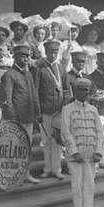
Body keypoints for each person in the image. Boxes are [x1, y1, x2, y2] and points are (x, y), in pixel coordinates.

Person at [60, 78, 103, 207]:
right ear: (75, 91)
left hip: (90, 153)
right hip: (76, 155)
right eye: (81, 90)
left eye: (86, 90)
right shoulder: (67, 109)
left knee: (90, 185)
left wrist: (98, 151)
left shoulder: (93, 110)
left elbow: (99, 132)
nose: (84, 93)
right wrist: (73, 152)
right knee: (77, 185)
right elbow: (65, 132)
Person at [2, 45, 41, 184]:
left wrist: (37, 112)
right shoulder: (9, 74)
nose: (25, 59)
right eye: (23, 56)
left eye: (27, 56)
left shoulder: (28, 74)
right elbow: (7, 98)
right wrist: (12, 118)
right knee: (15, 148)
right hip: (17, 118)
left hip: (28, 116)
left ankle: (26, 173)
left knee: (27, 147)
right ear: (15, 56)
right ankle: (13, 175)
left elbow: (34, 94)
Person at [34, 40, 71, 180]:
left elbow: (67, 89)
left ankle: (56, 169)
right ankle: (47, 168)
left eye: (56, 52)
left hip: (59, 111)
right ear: (46, 52)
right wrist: (38, 111)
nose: (53, 55)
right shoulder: (40, 69)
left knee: (57, 141)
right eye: (50, 52)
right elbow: (36, 91)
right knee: (46, 141)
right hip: (45, 110)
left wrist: (65, 105)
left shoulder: (61, 68)